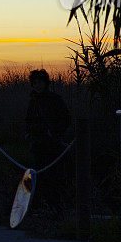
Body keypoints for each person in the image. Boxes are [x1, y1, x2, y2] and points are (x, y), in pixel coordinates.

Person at [25, 69, 70, 208]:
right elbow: (28, 120)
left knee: (53, 177)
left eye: (40, 82)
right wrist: (29, 133)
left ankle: (54, 206)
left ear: (45, 83)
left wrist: (54, 132)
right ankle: (40, 206)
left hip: (52, 145)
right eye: (35, 83)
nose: (37, 86)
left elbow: (65, 119)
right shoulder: (33, 101)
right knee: (39, 176)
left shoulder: (54, 100)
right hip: (37, 144)